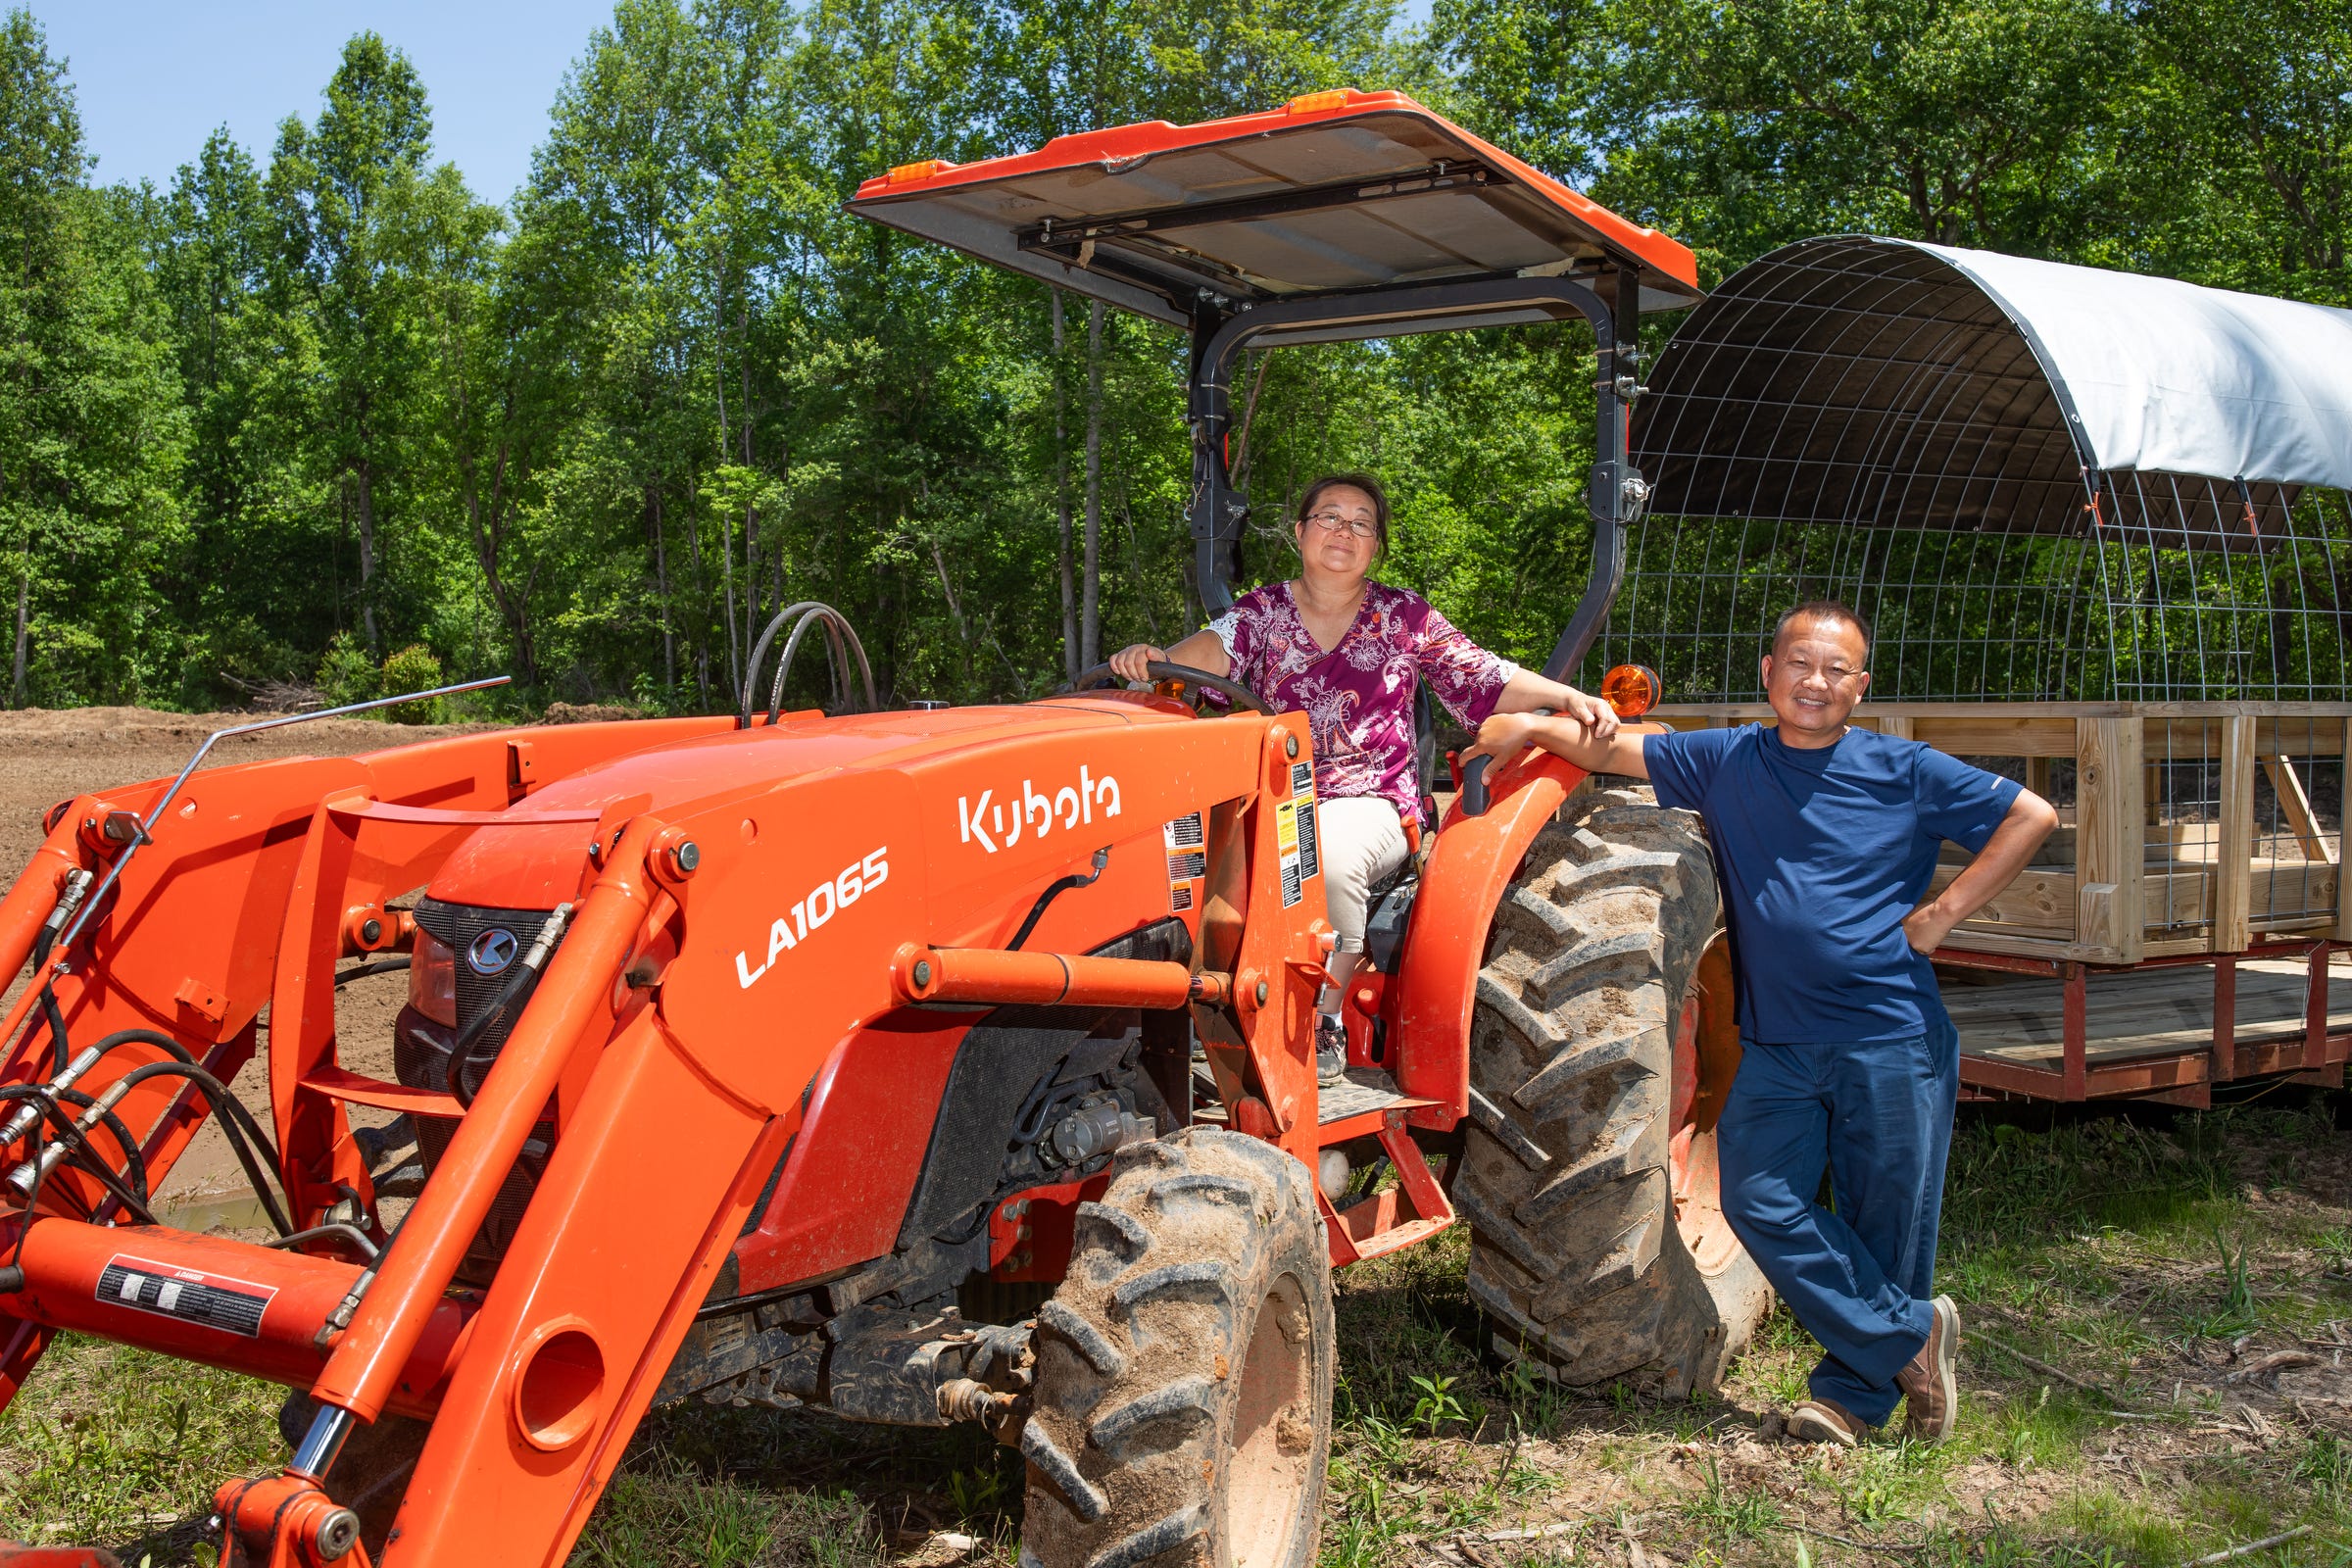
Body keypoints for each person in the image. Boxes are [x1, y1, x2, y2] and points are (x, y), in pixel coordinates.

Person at [1462, 601, 2056, 1446]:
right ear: (1769, 674)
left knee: (1883, 1221)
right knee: (1757, 1198)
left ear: (1860, 686)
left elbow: (2030, 814)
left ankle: (1854, 1398)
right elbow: (1611, 746)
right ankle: (1909, 1336)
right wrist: (1530, 720)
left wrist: (1942, 915)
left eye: (1835, 670)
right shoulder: (1727, 758)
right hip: (1777, 1040)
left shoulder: (1906, 769)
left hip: (1889, 1036)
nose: (1816, 682)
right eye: (1800, 664)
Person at [1109, 473, 1619, 1085]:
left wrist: (1568, 694)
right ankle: (1180, 1010)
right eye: (1328, 516)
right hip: (1269, 795)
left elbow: (1484, 675)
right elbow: (1206, 653)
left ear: (1375, 545)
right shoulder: (1261, 613)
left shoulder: (1402, 617)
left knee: (1322, 847)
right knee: (1168, 846)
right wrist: (1154, 659)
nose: (1342, 531)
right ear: (1299, 532)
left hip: (1370, 800)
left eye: (1360, 522)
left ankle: (1319, 1020)